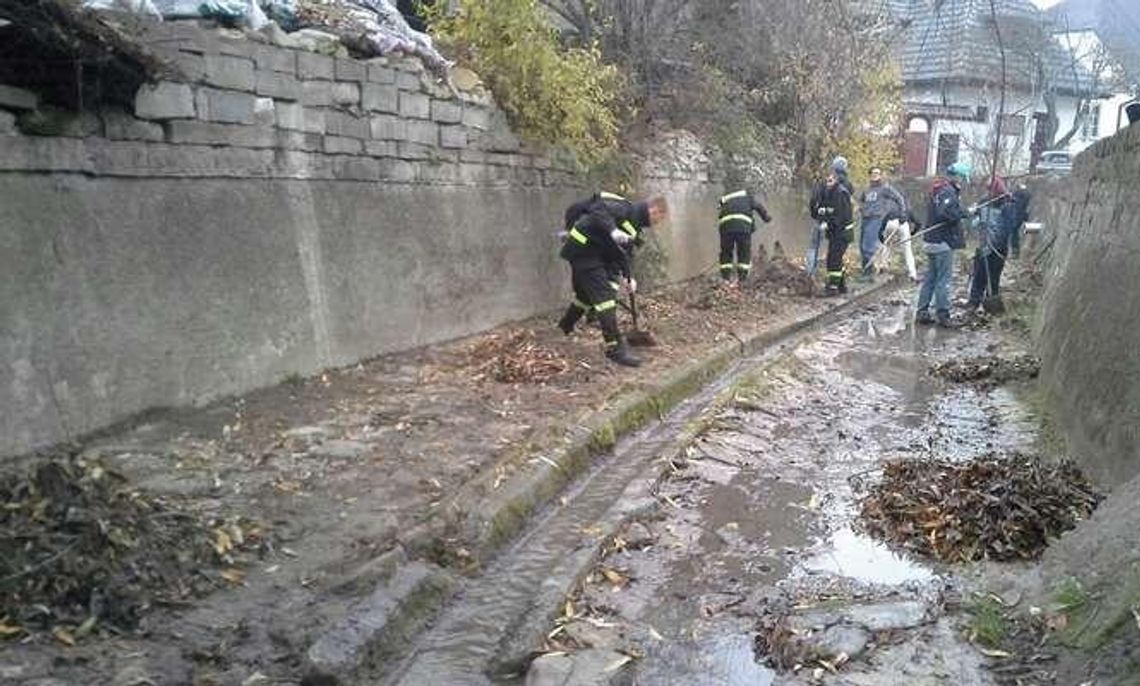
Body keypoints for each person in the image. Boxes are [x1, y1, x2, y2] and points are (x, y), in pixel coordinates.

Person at [557, 193, 667, 366]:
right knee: (605, 299)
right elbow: (598, 209)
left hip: (599, 256)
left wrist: (628, 277)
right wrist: (612, 230)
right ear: (654, 210)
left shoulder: (635, 226)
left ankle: (565, 325)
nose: (657, 224)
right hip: (584, 248)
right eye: (659, 219)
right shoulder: (626, 208)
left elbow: (624, 254)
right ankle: (614, 348)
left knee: (585, 296)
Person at [915, 162, 971, 327]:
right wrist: (963, 213)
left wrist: (961, 211)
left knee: (930, 278)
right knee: (943, 279)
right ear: (958, 176)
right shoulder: (948, 191)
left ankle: (922, 311)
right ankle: (943, 314)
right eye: (963, 179)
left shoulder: (937, 189)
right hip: (942, 242)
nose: (963, 182)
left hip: (931, 241)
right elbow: (945, 212)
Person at [966, 177, 1012, 313]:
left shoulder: (1007, 204)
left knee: (994, 276)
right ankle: (974, 302)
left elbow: (1007, 228)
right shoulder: (983, 203)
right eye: (987, 189)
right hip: (983, 245)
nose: (988, 192)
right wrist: (977, 218)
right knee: (979, 275)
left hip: (998, 248)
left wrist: (996, 243)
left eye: (990, 189)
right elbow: (974, 222)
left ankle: (991, 302)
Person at [858, 167, 907, 279]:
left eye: (877, 173)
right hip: (865, 218)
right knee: (862, 245)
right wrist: (861, 208)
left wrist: (902, 212)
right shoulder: (866, 189)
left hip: (876, 218)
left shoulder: (885, 188)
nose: (875, 175)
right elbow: (861, 201)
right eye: (873, 173)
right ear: (869, 175)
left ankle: (870, 272)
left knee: (868, 245)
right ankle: (866, 268)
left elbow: (899, 198)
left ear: (880, 175)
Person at [810, 170, 854, 295]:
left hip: (842, 233)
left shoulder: (840, 193)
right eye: (826, 181)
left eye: (830, 181)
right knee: (835, 258)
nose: (828, 184)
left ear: (836, 180)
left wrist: (828, 224)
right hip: (835, 232)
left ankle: (833, 287)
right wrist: (819, 212)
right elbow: (822, 210)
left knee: (833, 259)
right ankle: (841, 285)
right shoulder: (828, 193)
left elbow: (840, 216)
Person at [806, 156, 852, 275]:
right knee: (835, 253)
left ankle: (810, 273)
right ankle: (837, 278)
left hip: (823, 219)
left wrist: (815, 214)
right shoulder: (847, 185)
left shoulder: (824, 181)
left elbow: (813, 199)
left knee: (813, 246)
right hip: (837, 225)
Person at [717, 187, 772, 285]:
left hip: (725, 228)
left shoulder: (727, 199)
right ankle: (742, 279)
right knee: (743, 252)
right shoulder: (748, 197)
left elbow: (722, 213)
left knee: (726, 252)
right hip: (743, 229)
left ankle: (725, 278)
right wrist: (766, 218)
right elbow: (759, 207)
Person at [1008, 183, 1031, 259]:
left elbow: (1015, 203)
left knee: (1014, 232)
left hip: (1018, 215)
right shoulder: (1026, 193)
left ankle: (1015, 252)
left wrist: (1011, 197)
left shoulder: (1019, 193)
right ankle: (1016, 252)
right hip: (1021, 215)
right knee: (1015, 233)